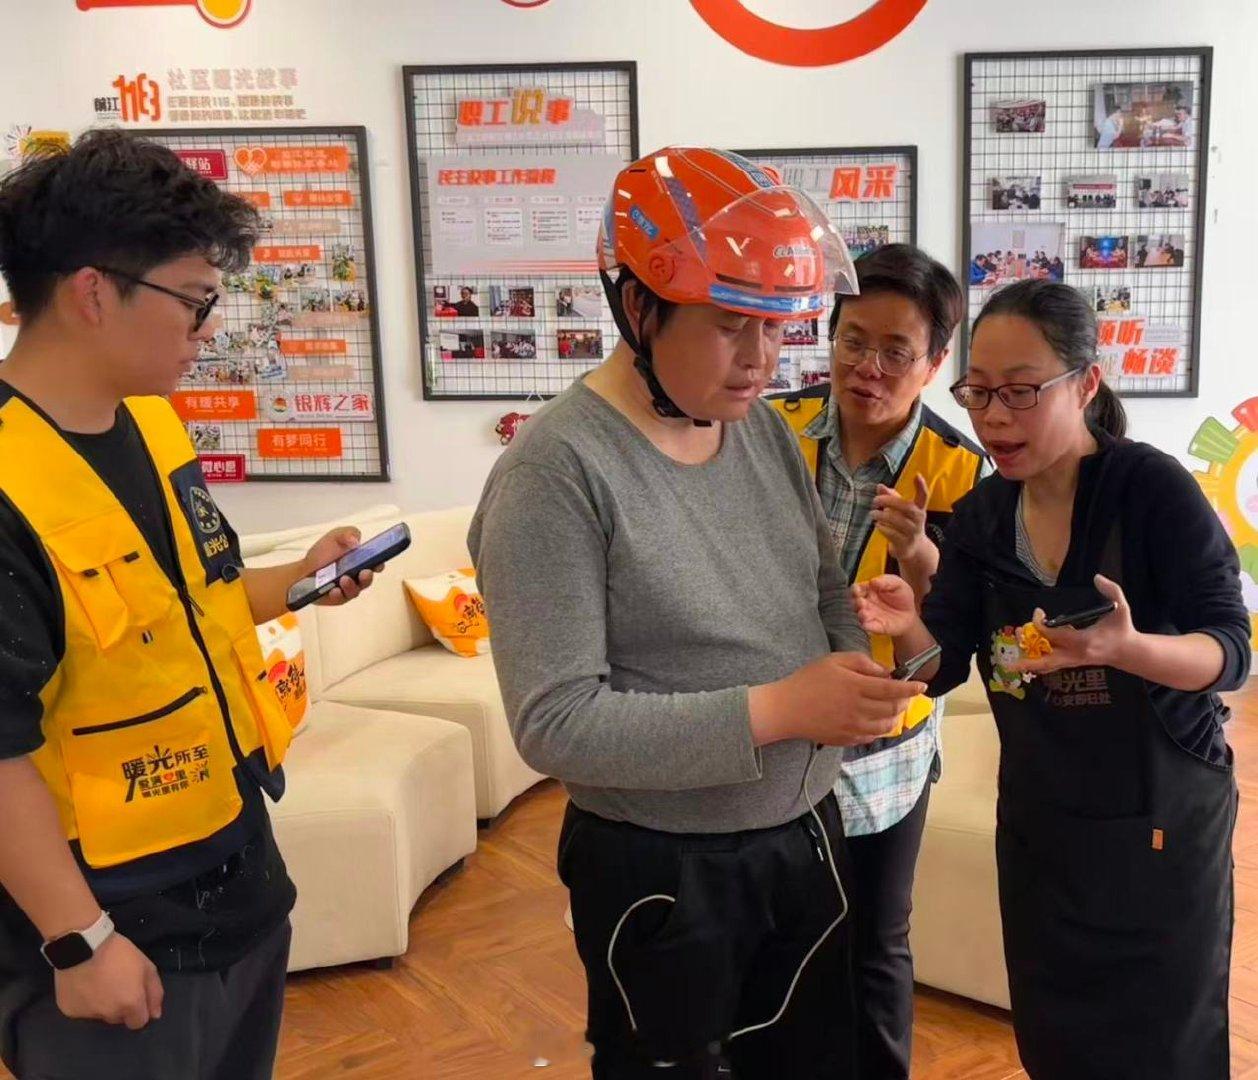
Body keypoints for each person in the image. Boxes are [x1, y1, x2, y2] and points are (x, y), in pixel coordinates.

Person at [469, 147, 926, 1079]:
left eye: (776, 328)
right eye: (728, 326)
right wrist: (783, 710)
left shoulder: (752, 426)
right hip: (663, 875)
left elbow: (819, 586)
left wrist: (850, 670)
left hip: (805, 834)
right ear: (640, 309)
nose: (762, 361)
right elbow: (556, 724)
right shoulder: (555, 473)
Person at [0, 130, 380, 1080]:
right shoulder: (8, 483)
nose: (206, 331)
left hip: (238, 883)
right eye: (195, 301)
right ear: (93, 292)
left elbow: (185, 606)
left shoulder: (153, 424)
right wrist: (79, 942)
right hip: (115, 941)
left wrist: (299, 580)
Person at [852, 279, 1248, 1079]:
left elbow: (1232, 651)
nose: (995, 417)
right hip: (1044, 828)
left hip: (1160, 824)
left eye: (1022, 391)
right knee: (1057, 1041)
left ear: (1087, 383)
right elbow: (941, 667)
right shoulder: (984, 517)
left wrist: (1130, 650)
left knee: (1165, 1047)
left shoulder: (1150, 490)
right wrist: (907, 627)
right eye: (979, 392)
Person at [768, 244, 986, 1079]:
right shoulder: (766, 429)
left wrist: (924, 556)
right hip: (773, 727)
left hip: (884, 747)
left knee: (876, 942)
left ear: (934, 364)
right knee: (777, 933)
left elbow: (951, 644)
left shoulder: (962, 470)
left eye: (898, 352)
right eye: (854, 341)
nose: (869, 368)